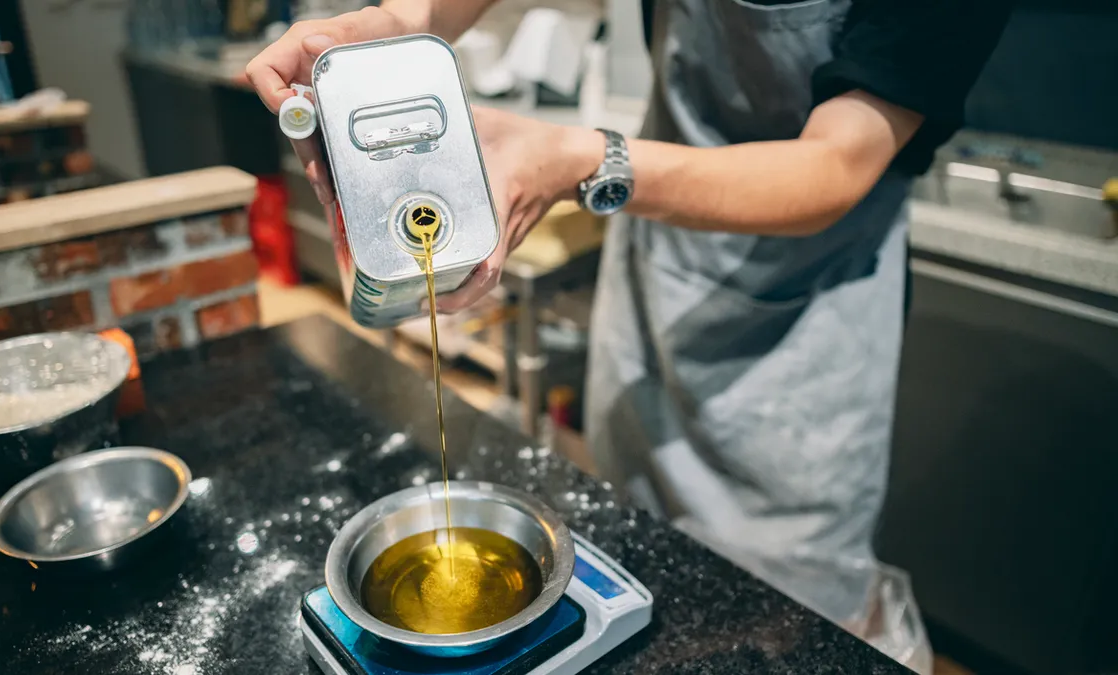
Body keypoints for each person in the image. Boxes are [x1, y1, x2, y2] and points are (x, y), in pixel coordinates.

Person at [248, 0, 1013, 624]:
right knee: (632, 546)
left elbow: (834, 166)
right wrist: (395, 24)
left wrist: (583, 160)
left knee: (774, 619)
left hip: (802, 334)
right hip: (659, 274)